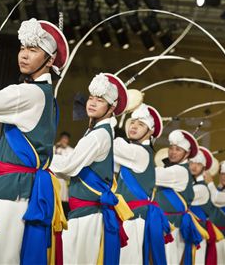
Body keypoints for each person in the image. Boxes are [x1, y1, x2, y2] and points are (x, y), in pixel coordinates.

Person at [0, 17, 69, 264]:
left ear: (50, 60)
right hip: (14, 190)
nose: (24, 55)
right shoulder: (41, 94)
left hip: (15, 194)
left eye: (33, 50)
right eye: (22, 48)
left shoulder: (29, 93)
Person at [49, 73, 133, 265]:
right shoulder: (97, 132)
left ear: (111, 108)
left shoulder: (99, 136)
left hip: (89, 217)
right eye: (91, 98)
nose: (92, 103)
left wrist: (43, 158)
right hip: (84, 213)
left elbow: (69, 166)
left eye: (100, 100)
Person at [115, 103, 173, 265]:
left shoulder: (140, 152)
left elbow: (112, 147)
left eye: (141, 124)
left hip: (133, 219)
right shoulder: (133, 150)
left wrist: (107, 124)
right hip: (127, 217)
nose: (133, 126)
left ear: (150, 131)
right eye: (132, 122)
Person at [154, 130, 209, 265]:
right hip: (163, 225)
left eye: (178, 149)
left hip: (172, 228)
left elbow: (152, 176)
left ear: (187, 153)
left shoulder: (181, 171)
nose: (173, 152)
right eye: (171, 148)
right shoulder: (173, 169)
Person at [189, 147, 224, 264]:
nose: (194, 166)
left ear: (204, 168)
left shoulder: (202, 188)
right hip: (187, 230)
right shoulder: (190, 182)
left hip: (199, 232)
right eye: (191, 162)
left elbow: (186, 196)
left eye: (198, 164)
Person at [55, 131, 74, 214]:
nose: (64, 140)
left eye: (66, 139)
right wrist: (56, 147)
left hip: (64, 178)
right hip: (55, 176)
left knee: (63, 198)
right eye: (63, 138)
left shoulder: (71, 150)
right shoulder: (55, 147)